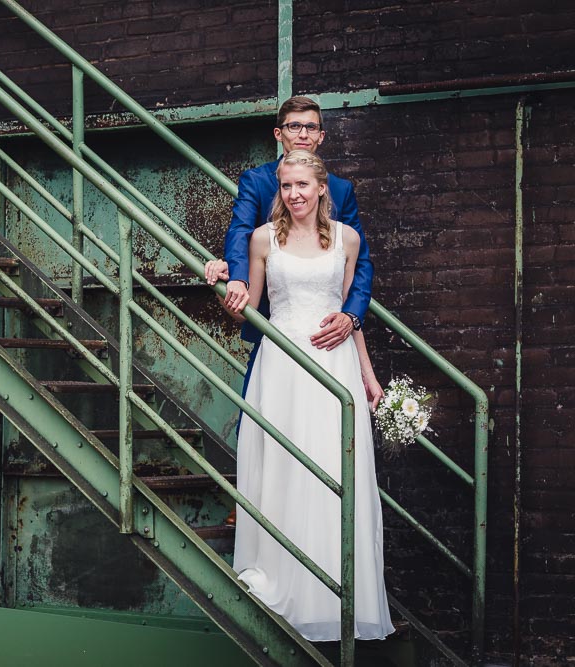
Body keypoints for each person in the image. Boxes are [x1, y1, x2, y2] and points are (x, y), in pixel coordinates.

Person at [228, 149, 393, 641]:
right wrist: (228, 291)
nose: (294, 194)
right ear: (277, 188)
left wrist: (367, 373)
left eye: (303, 185)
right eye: (286, 186)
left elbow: (348, 316)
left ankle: (335, 599)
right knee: (284, 468)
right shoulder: (262, 240)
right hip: (280, 368)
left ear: (322, 187)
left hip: (335, 365)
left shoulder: (348, 239)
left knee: (333, 470)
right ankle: (284, 583)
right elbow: (248, 313)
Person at [205, 96, 379, 406]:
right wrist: (238, 277)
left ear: (321, 136)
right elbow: (241, 231)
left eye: (310, 127)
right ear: (278, 133)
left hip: (327, 324)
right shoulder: (257, 181)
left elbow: (359, 262)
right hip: (274, 316)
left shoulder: (340, 189)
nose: (302, 134)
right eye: (294, 126)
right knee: (262, 417)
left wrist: (351, 315)